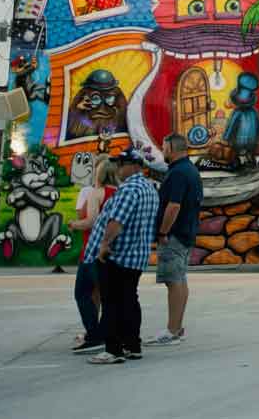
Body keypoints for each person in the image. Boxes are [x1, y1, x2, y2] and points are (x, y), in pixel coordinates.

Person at [83, 146, 159, 364]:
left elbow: (117, 222)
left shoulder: (128, 189)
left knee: (112, 302)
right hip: (136, 257)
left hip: (117, 256)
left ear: (135, 166)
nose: (118, 168)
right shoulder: (149, 188)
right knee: (129, 300)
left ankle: (113, 350)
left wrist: (104, 245)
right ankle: (132, 345)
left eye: (122, 164)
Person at [146, 134, 204, 347]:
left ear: (171, 147)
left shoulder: (178, 173)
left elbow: (174, 206)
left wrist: (162, 233)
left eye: (163, 146)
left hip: (175, 235)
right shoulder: (189, 170)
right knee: (179, 279)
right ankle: (176, 328)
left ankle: (172, 330)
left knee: (174, 281)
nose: (162, 150)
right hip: (185, 232)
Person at [69, 156, 118, 354]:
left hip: (91, 249)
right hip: (113, 250)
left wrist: (74, 224)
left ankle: (93, 333)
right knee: (106, 294)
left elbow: (91, 221)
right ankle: (108, 333)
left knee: (82, 293)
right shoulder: (119, 193)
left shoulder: (95, 193)